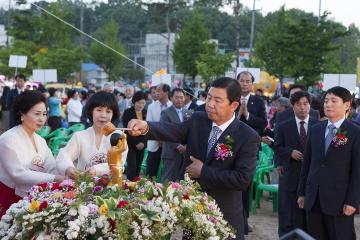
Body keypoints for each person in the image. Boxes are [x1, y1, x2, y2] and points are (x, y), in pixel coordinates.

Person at [127, 77, 260, 240]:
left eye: (218, 100)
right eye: (209, 97)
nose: (210, 104)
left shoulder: (247, 136)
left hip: (225, 217)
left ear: (234, 105)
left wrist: (203, 171)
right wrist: (146, 126)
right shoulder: (199, 120)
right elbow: (173, 130)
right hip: (195, 214)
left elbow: (242, 179)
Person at [297, 86, 360, 240]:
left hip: (340, 200)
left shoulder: (354, 132)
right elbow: (307, 164)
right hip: (314, 198)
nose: (328, 104)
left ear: (347, 105)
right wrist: (302, 192)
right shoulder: (316, 129)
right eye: (326, 101)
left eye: (333, 101)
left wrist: (353, 201)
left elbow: (358, 170)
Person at [0, 91, 64, 218]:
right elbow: (18, 174)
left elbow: (51, 167)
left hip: (32, 198)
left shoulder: (40, 140)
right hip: (9, 197)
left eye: (44, 114)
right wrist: (54, 178)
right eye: (37, 114)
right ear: (22, 114)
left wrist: (65, 174)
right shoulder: (8, 139)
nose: (42, 119)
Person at [274, 91, 319, 237]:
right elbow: (277, 146)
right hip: (291, 173)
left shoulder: (318, 125)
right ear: (292, 106)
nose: (302, 107)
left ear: (310, 106)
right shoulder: (283, 125)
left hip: (311, 176)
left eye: (305, 104)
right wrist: (290, 152)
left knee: (308, 213)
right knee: (288, 212)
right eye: (298, 104)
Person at [56, 91, 128, 179]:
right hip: (84, 187)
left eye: (108, 111)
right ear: (91, 111)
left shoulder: (119, 136)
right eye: (99, 110)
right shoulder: (80, 136)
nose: (103, 115)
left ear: (113, 114)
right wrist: (69, 168)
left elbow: (120, 163)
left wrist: (96, 170)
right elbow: (64, 155)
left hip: (111, 188)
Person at [145, 84, 172, 178]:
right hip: (154, 144)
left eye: (159, 90)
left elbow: (173, 127)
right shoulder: (151, 107)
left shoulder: (172, 106)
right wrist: (159, 139)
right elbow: (149, 125)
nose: (156, 93)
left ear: (166, 92)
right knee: (151, 173)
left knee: (167, 172)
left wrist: (164, 140)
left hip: (169, 144)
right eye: (155, 91)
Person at [160, 88, 187, 182]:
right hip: (171, 152)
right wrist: (178, 146)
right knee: (167, 180)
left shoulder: (187, 112)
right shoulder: (166, 113)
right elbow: (164, 132)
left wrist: (186, 146)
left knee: (181, 181)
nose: (179, 100)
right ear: (171, 98)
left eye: (181, 97)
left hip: (185, 153)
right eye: (176, 97)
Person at [122, 91, 147, 181]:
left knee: (139, 166)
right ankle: (129, 186)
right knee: (132, 165)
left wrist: (143, 142)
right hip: (131, 143)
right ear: (134, 102)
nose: (141, 105)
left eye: (143, 103)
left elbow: (148, 129)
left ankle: (136, 185)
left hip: (142, 144)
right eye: (139, 102)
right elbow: (127, 130)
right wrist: (136, 142)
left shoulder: (146, 112)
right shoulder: (127, 112)